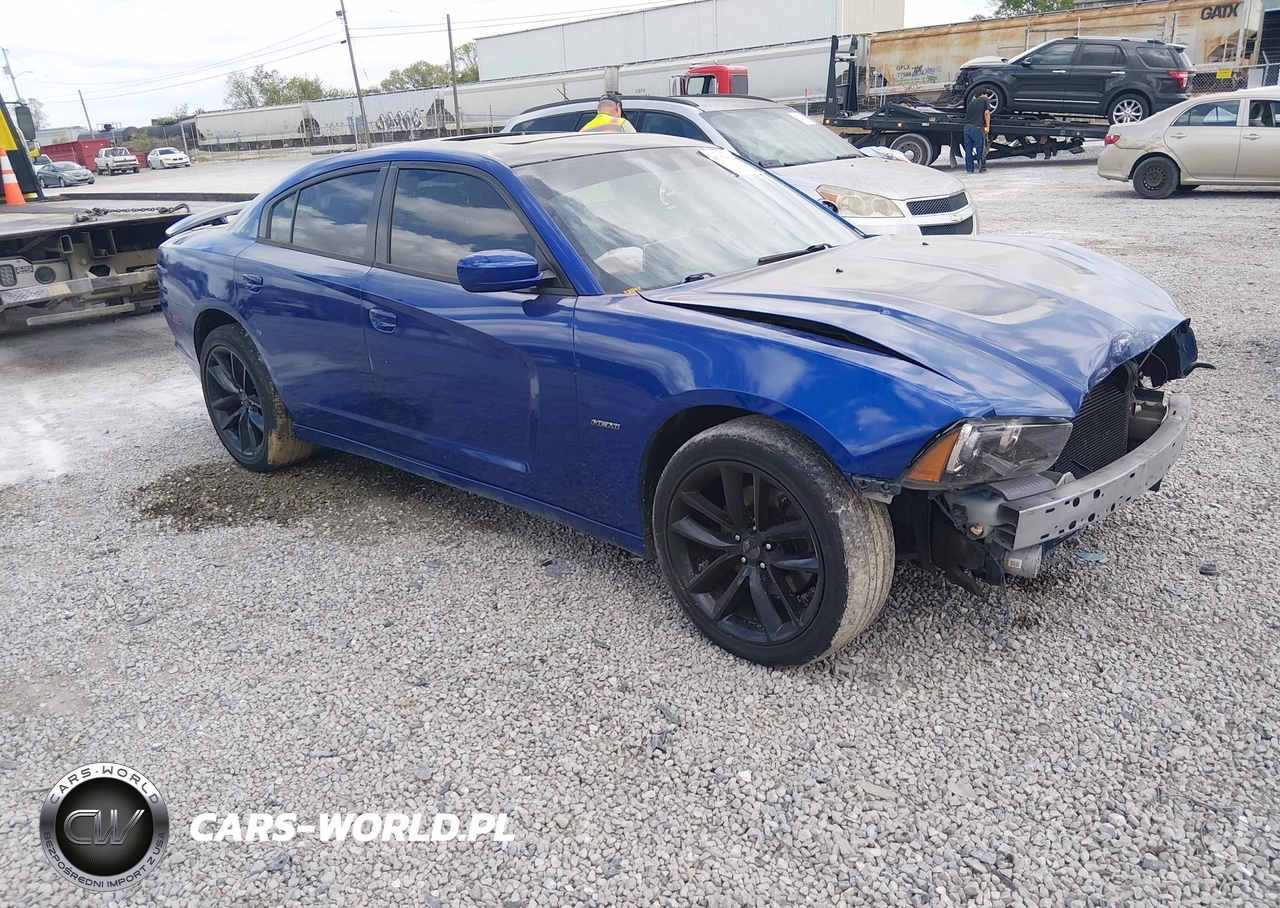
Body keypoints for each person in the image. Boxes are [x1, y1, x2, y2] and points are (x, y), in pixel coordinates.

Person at [963, 89, 991, 174]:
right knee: (980, 149)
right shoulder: (984, 100)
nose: (987, 97)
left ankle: (969, 169)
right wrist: (987, 127)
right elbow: (986, 113)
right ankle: (982, 168)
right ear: (982, 94)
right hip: (977, 128)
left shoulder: (971, 103)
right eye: (987, 95)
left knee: (968, 150)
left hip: (967, 127)